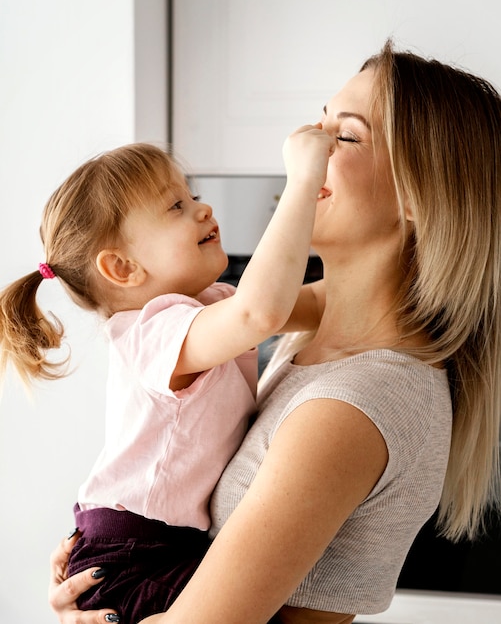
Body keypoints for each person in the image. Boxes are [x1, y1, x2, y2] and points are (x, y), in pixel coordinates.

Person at [48, 39, 501, 624]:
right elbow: (269, 300)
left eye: (344, 136)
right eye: (319, 122)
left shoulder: (353, 405)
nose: (306, 145)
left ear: (417, 194)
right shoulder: (324, 338)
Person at [0, 123, 334, 621]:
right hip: (134, 553)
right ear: (122, 269)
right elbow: (260, 313)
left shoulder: (211, 307)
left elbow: (323, 304)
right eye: (176, 206)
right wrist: (302, 183)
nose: (203, 208)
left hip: (154, 541)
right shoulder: (151, 332)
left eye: (192, 194)